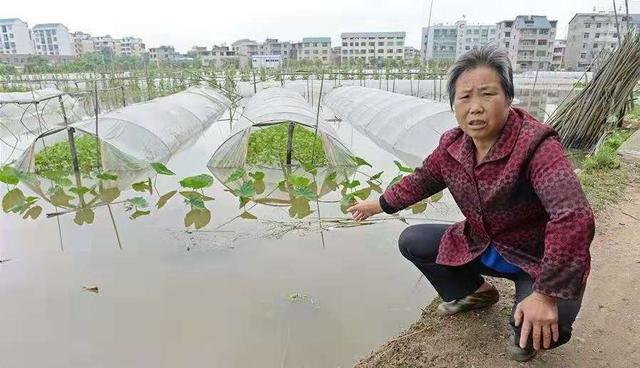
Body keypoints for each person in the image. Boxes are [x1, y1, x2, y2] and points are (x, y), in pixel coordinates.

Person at [347, 45, 595, 362]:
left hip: (536, 259)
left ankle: (533, 302)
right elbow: (421, 180)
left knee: (540, 333)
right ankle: (476, 293)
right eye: (465, 97)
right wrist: (378, 204)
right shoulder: (452, 146)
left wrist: (545, 295)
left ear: (508, 98)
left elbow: (573, 216)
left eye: (487, 94)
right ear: (453, 104)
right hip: (480, 245)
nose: (475, 107)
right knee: (413, 241)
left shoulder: (537, 145)